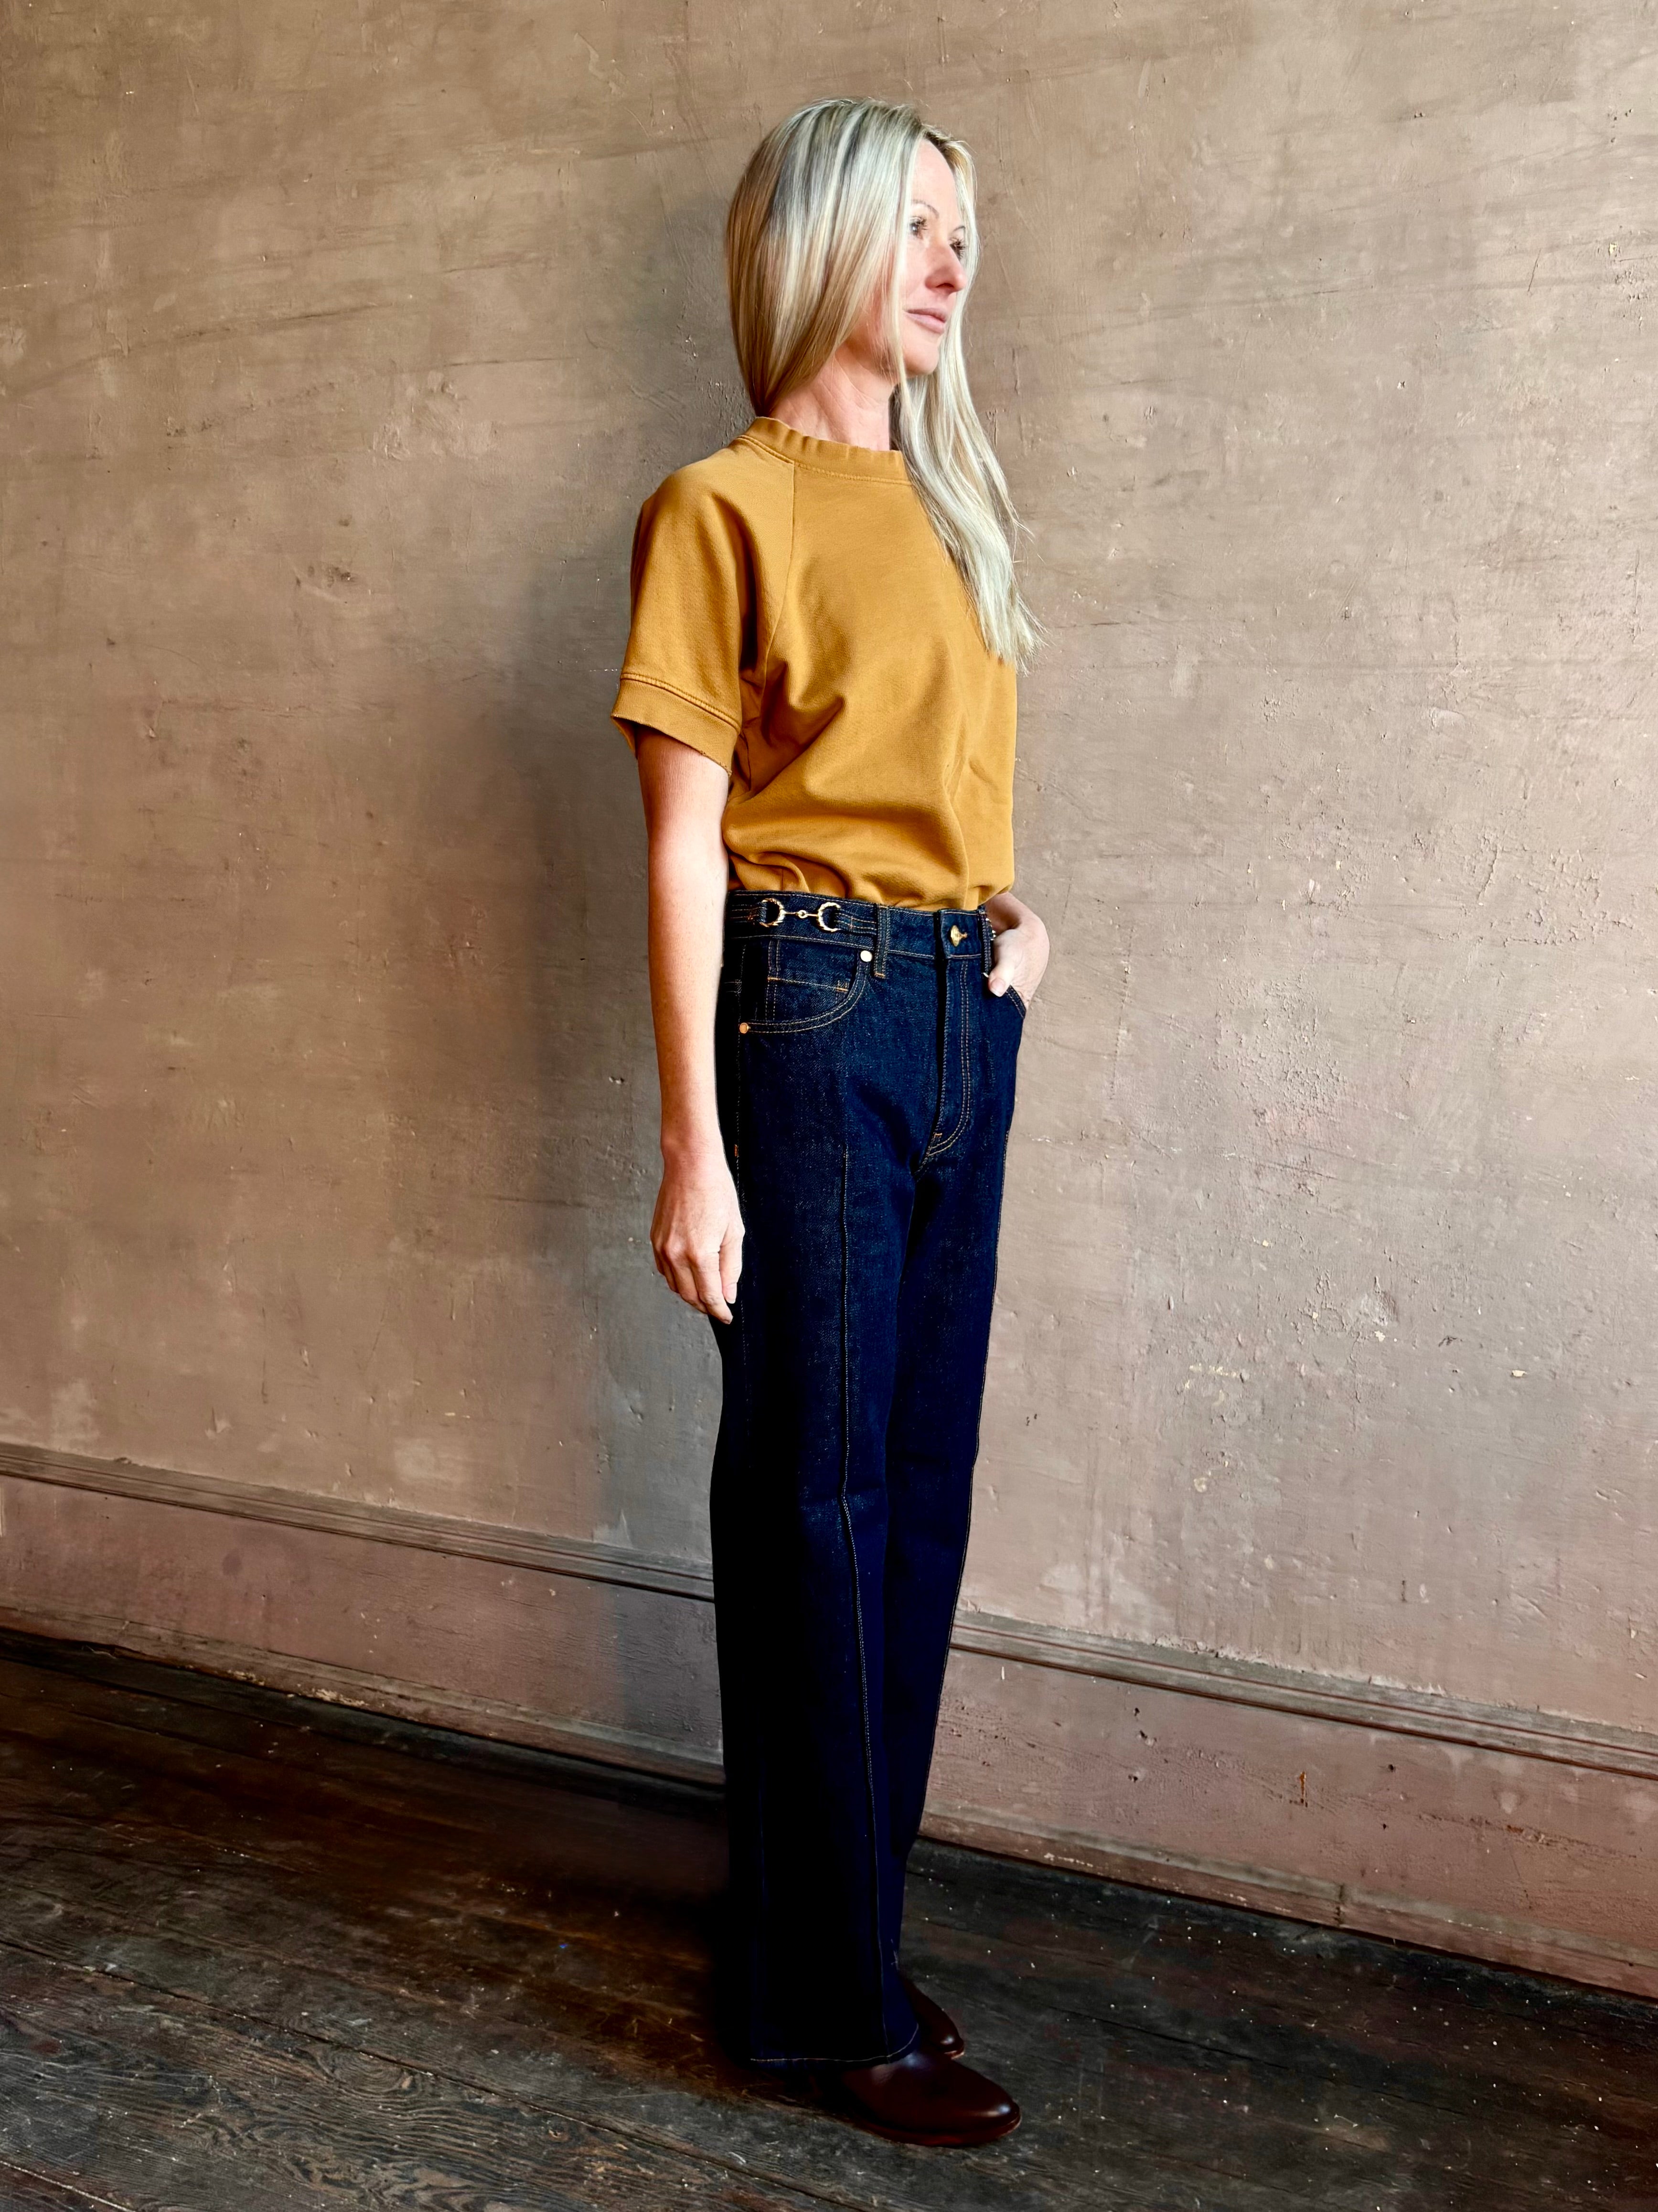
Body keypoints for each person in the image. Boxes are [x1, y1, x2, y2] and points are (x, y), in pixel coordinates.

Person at [611, 94, 1049, 2148]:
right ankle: (818, 2004)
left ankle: (840, 1932)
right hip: (805, 1015)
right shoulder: (721, 506)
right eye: (915, 227)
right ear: (817, 247)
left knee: (917, 1494)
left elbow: (940, 784)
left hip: (958, 1014)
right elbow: (684, 848)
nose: (953, 264)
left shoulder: (951, 509)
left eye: (965, 232)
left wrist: (1014, 930)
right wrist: (691, 1148)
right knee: (818, 1502)